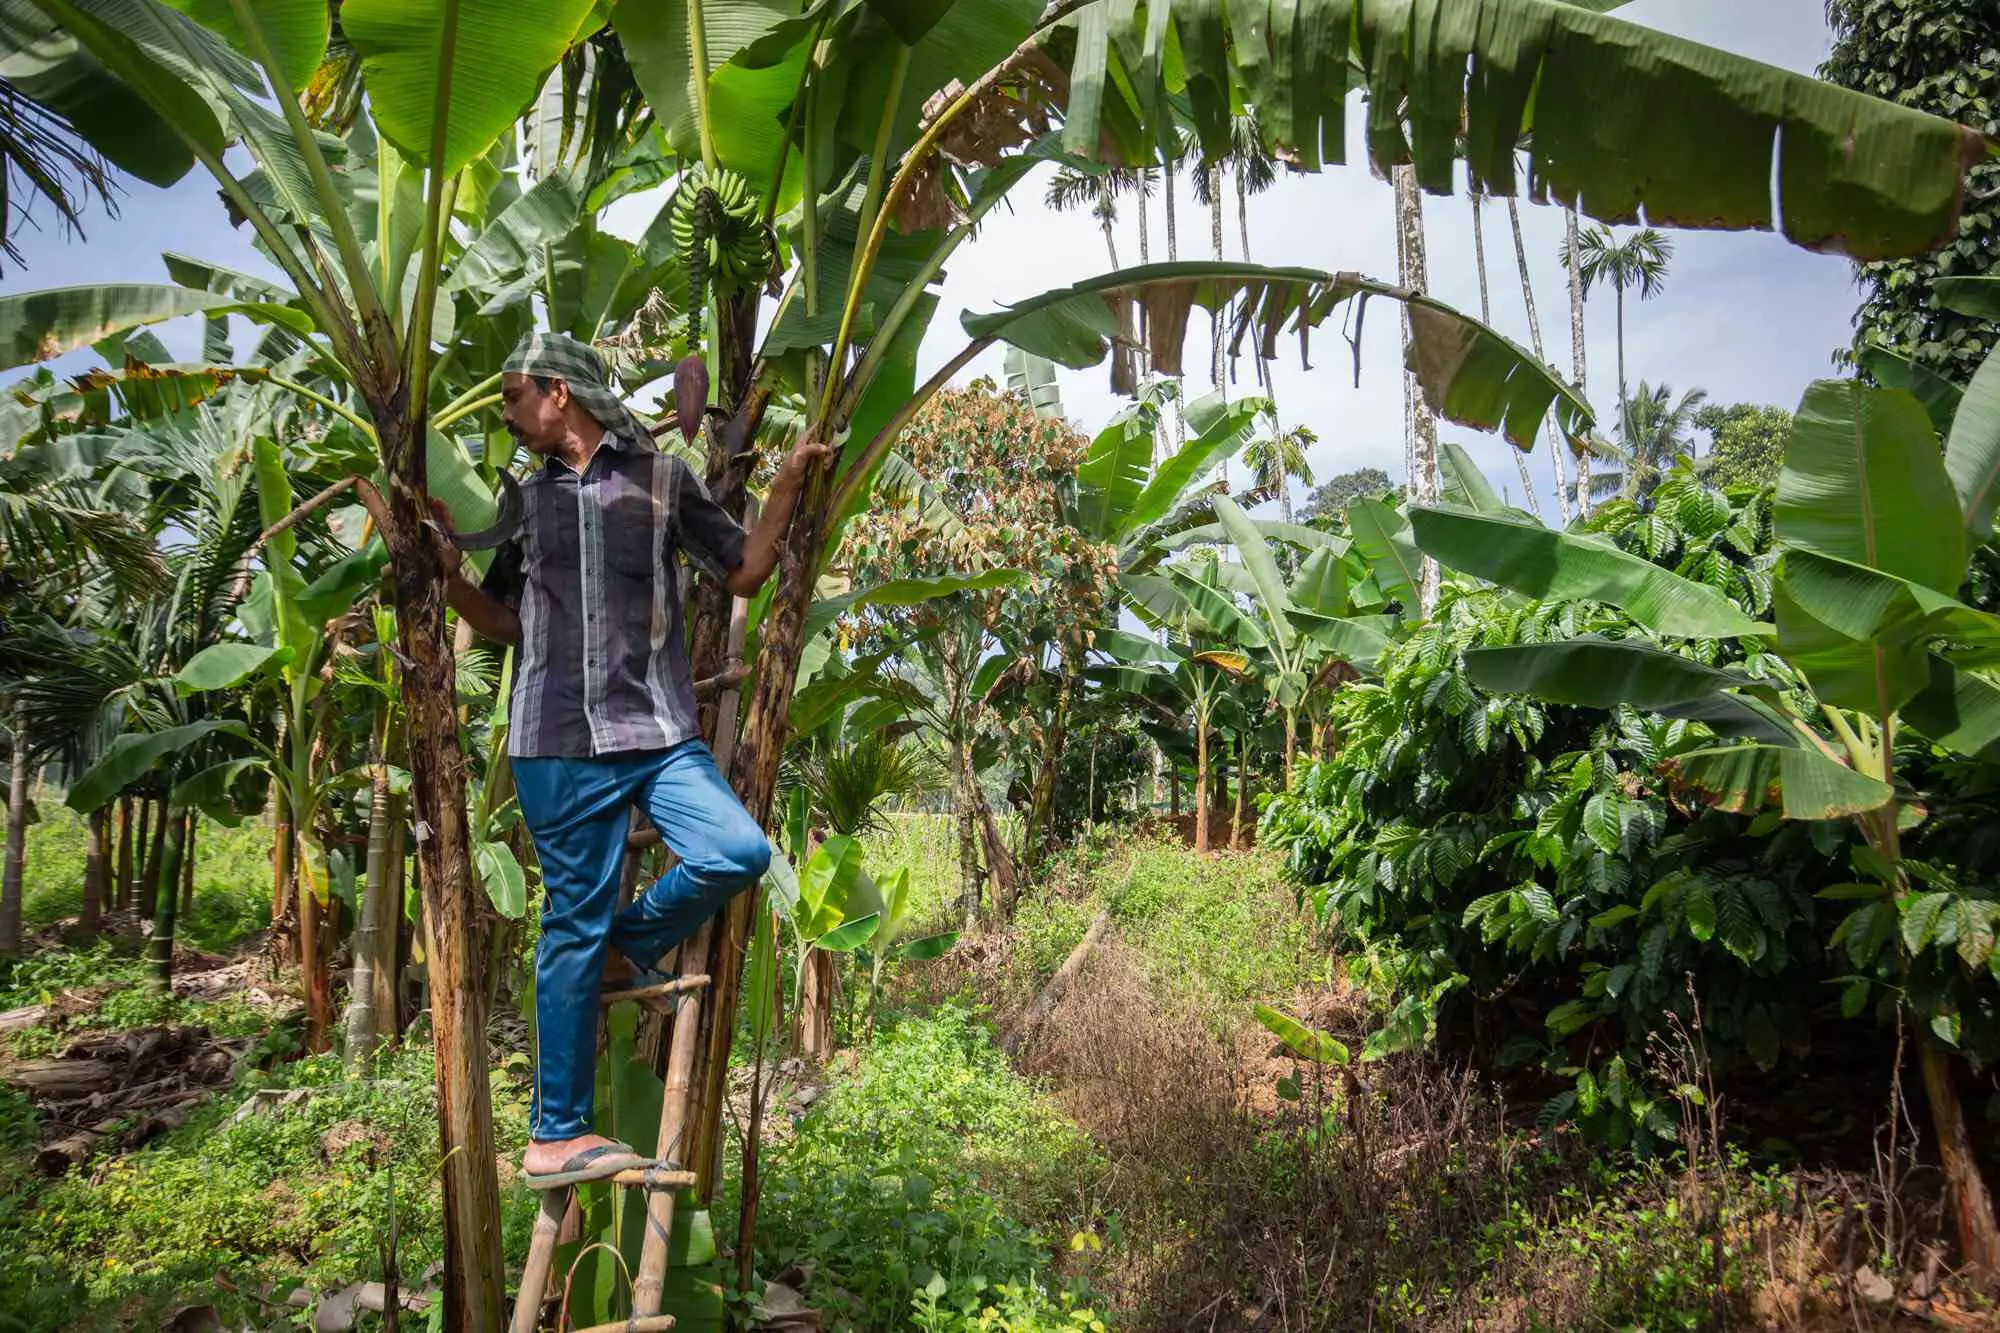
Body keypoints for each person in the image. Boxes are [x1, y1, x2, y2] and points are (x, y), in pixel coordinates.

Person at [437, 331, 828, 1188]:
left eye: (512, 397)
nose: (505, 415)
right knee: (567, 925)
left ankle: (630, 943)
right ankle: (555, 1135)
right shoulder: (525, 504)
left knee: (739, 851)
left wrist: (790, 482)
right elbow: (503, 620)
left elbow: (745, 571)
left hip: (658, 732)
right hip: (556, 739)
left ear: (558, 394)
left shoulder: (661, 482)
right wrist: (445, 574)